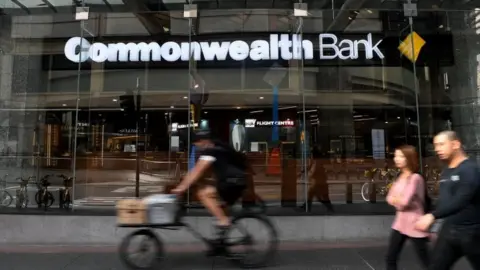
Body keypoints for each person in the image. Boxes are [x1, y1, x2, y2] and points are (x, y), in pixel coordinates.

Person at [415, 131, 480, 270]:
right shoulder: (446, 171)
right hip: (449, 231)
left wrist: (433, 216)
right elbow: (445, 201)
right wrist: (433, 220)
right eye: (435, 145)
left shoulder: (470, 169)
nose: (437, 149)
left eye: (441, 144)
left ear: (456, 144)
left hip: (473, 233)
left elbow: (461, 199)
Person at [172, 130, 247, 232]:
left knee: (203, 193)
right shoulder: (220, 147)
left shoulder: (209, 151)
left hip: (231, 182)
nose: (197, 146)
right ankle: (222, 239)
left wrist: (181, 188)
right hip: (239, 180)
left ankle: (223, 221)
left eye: (197, 144)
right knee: (219, 205)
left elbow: (197, 171)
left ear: (203, 141)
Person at [385, 145, 429, 270]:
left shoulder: (415, 178)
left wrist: (397, 199)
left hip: (415, 223)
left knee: (426, 261)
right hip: (399, 224)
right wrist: (397, 199)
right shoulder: (400, 176)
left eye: (401, 156)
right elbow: (389, 198)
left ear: (409, 158)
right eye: (395, 156)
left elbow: (404, 202)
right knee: (390, 258)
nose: (396, 159)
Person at [298, 145, 334, 213]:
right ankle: (329, 208)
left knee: (319, 196)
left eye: (311, 154)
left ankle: (307, 207)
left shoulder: (317, 162)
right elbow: (309, 167)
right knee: (317, 196)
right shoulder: (314, 161)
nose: (311, 155)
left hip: (319, 182)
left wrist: (310, 175)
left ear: (314, 154)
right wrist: (302, 172)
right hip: (319, 182)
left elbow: (316, 171)